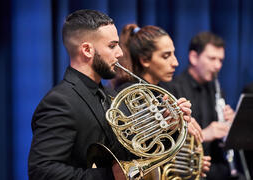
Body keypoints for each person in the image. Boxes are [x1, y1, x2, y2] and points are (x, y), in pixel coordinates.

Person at [28, 10, 192, 180]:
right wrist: (108, 175)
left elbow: (132, 153)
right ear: (87, 50)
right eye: (112, 46)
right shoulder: (60, 102)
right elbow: (42, 172)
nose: (120, 53)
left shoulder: (108, 95)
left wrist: (168, 127)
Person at [112, 24, 211, 178]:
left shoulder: (163, 92)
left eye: (174, 54)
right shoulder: (131, 94)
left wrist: (189, 165)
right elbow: (138, 150)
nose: (175, 62)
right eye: (166, 56)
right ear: (145, 60)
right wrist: (171, 125)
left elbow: (162, 155)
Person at [160, 32, 245, 179]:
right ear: (194, 57)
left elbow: (221, 144)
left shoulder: (216, 89)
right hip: (189, 171)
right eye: (212, 59)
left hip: (219, 169)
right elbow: (167, 144)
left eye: (220, 60)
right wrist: (205, 134)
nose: (217, 65)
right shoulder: (172, 89)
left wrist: (230, 127)